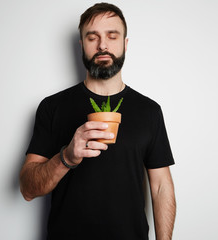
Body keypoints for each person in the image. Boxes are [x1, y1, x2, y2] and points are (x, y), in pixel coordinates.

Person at [20, 3, 176, 240]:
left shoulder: (149, 111)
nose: (103, 45)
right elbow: (28, 189)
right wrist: (67, 157)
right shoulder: (52, 107)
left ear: (125, 44)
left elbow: (161, 187)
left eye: (112, 36)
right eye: (92, 37)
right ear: (81, 45)